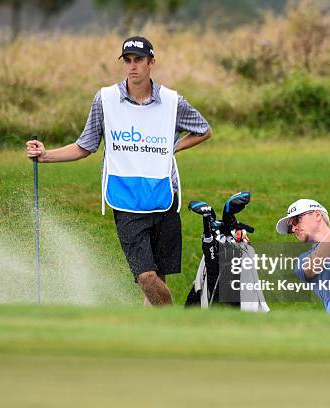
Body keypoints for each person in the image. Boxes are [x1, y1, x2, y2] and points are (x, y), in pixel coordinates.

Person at [26, 36, 211, 306]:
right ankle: (176, 324)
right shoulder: (105, 99)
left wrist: (174, 148)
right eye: (128, 61)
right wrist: (45, 156)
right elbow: (84, 146)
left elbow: (204, 130)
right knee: (146, 277)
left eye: (138, 60)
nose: (132, 66)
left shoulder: (173, 102)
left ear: (152, 63)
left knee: (158, 280)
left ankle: (154, 341)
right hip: (126, 200)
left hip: (163, 196)